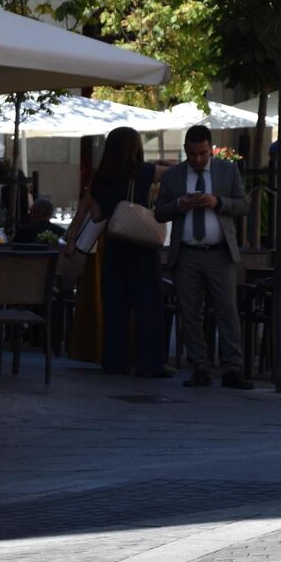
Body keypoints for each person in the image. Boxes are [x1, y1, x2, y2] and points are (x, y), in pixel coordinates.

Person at [155, 125, 254, 389]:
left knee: (228, 312)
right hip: (187, 253)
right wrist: (179, 205)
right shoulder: (174, 176)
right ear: (185, 150)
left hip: (220, 253)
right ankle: (200, 367)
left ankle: (233, 368)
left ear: (210, 148)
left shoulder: (227, 170)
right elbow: (159, 212)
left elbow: (243, 205)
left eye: (202, 153)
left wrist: (218, 202)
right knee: (189, 313)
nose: (198, 159)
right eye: (192, 154)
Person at [66, 126, 170, 378]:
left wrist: (71, 239)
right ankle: (149, 363)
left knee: (115, 305)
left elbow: (93, 213)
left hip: (113, 246)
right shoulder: (145, 172)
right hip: (142, 248)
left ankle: (114, 360)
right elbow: (175, 174)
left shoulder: (101, 176)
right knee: (147, 305)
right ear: (135, 147)